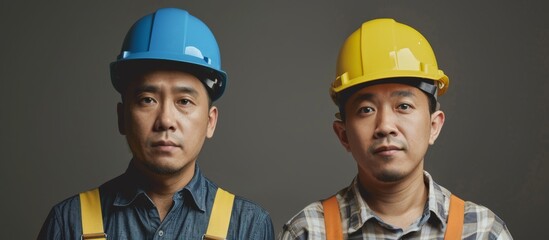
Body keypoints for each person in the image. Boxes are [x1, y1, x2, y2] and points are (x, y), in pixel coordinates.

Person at [38, 8, 274, 240]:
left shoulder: (248, 226)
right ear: (122, 117)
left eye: (184, 101)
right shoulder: (69, 222)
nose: (166, 121)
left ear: (210, 121)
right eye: (147, 100)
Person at [279, 19, 512, 239]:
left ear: (434, 125)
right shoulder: (308, 232)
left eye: (403, 106)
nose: (385, 126)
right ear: (344, 135)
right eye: (366, 110)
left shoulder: (482, 231)